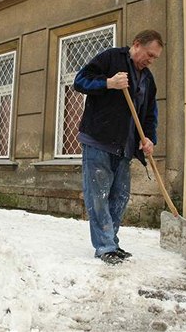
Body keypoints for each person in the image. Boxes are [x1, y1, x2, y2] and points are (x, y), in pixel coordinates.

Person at [73, 29, 163, 265]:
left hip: (125, 147)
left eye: (155, 58)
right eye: (150, 55)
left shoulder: (147, 79)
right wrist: (108, 83)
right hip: (98, 141)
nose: (151, 60)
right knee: (99, 197)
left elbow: (150, 114)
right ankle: (105, 246)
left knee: (119, 197)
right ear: (136, 45)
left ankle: (111, 241)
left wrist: (149, 138)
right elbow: (79, 81)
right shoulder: (111, 58)